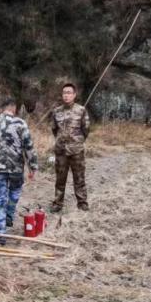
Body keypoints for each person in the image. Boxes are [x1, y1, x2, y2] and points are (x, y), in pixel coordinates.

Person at [0, 97, 38, 235]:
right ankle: (9, 214)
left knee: (0, 198)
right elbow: (28, 146)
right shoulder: (21, 124)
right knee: (15, 191)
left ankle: (0, 232)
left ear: (1, 109)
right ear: (14, 109)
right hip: (16, 168)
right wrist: (33, 167)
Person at [48, 82, 91, 213]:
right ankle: (57, 204)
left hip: (76, 151)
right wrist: (61, 141)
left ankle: (82, 203)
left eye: (69, 93)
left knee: (79, 178)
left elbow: (86, 129)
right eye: (64, 93)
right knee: (60, 179)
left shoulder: (81, 110)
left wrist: (77, 141)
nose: (66, 95)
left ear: (74, 95)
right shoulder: (56, 111)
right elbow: (54, 129)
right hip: (61, 151)